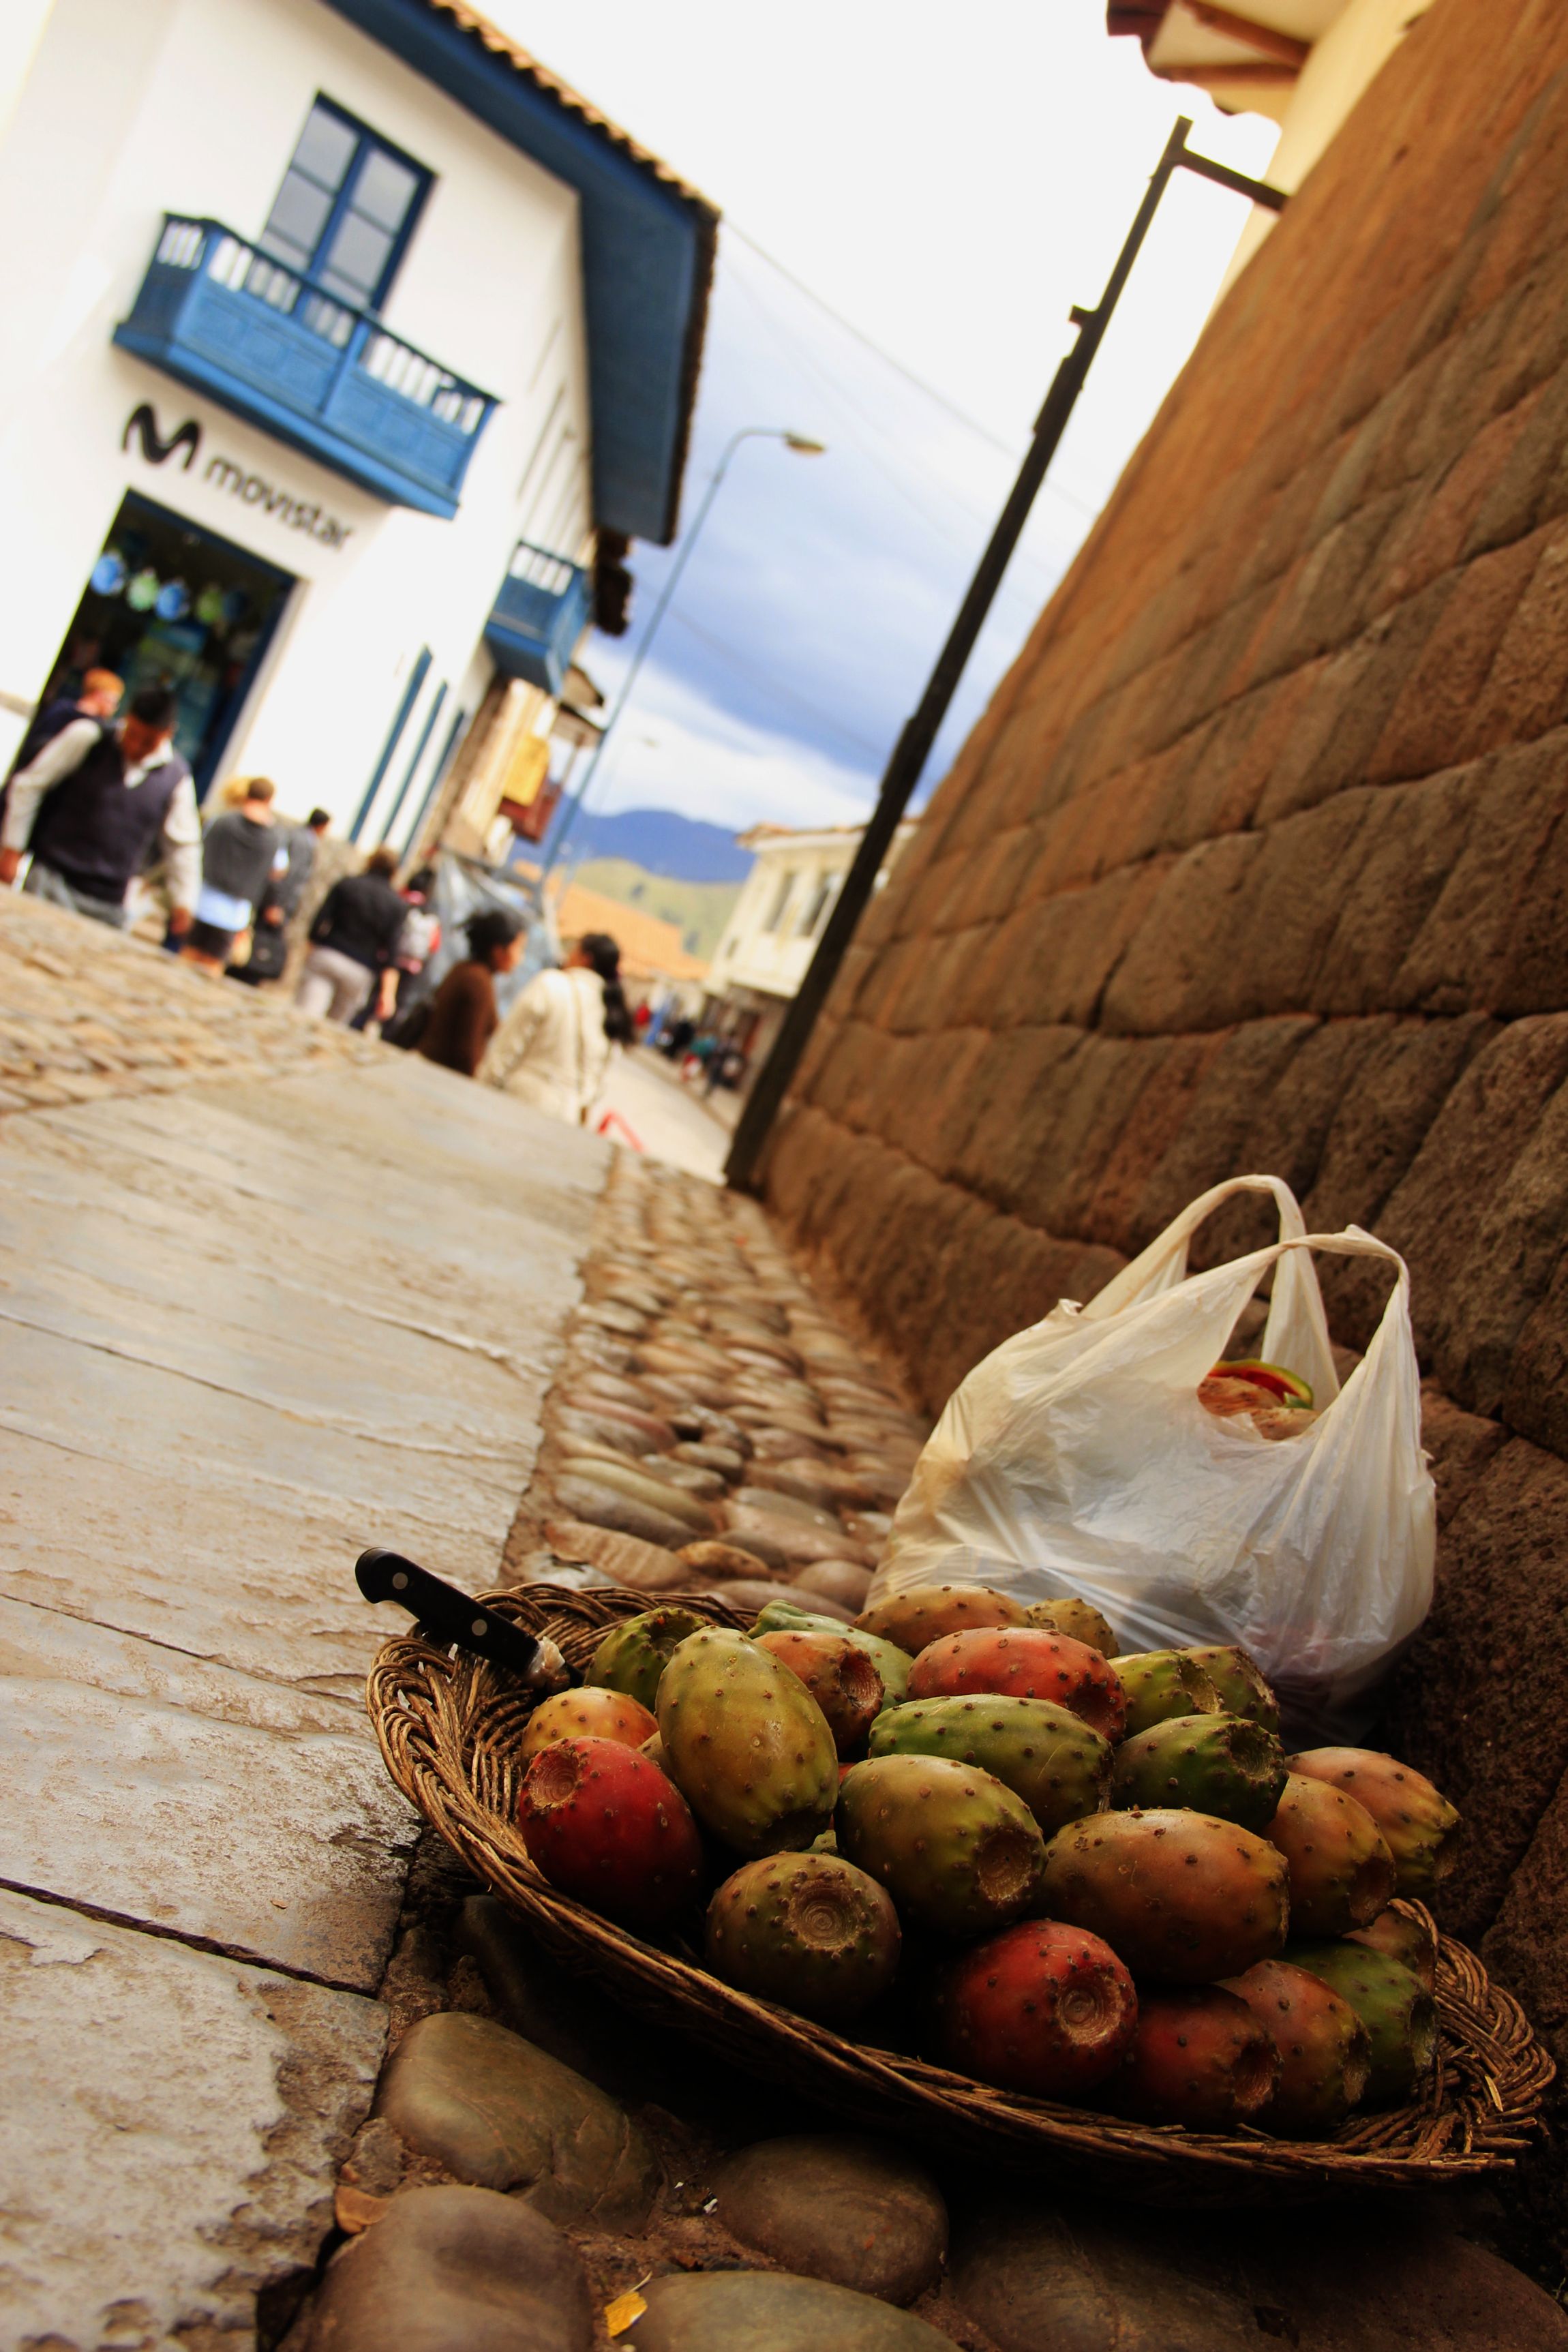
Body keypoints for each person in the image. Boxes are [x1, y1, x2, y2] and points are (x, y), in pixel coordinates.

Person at [0, 685, 198, 935]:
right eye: (132, 734)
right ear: (127, 717)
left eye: (148, 742)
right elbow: (30, 786)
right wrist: (12, 848)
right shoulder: (89, 738)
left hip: (109, 901)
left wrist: (184, 901)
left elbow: (182, 844)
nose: (136, 746)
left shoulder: (176, 777)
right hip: (51, 878)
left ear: (168, 733)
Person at [479, 929, 633, 1123]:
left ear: (586, 958)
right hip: (567, 1119)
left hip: (519, 1104)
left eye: (573, 950)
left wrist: (482, 1088)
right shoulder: (613, 1011)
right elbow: (596, 1086)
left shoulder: (550, 984)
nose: (567, 956)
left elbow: (507, 1048)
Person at [181, 778, 288, 974]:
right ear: (269, 799)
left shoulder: (222, 820)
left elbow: (198, 848)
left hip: (203, 899)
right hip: (234, 911)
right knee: (213, 966)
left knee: (187, 956)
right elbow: (278, 872)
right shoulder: (275, 837)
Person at [296, 845, 406, 1024]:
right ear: (394, 872)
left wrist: (311, 951)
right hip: (360, 969)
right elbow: (391, 951)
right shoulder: (396, 905)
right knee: (335, 1026)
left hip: (329, 954)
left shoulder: (347, 884)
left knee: (306, 1013)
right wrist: (388, 994)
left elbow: (318, 923)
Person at [417, 907, 524, 1076]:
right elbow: (468, 1049)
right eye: (519, 948)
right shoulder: (478, 982)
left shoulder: (465, 970)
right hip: (439, 1075)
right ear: (498, 951)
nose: (520, 958)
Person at [230, 806, 330, 986]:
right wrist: (276, 904)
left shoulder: (299, 837)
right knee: (261, 941)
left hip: (276, 901)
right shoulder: (302, 841)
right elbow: (288, 876)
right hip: (277, 903)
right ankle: (246, 973)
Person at [6, 669, 124, 777]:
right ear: (99, 695)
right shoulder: (66, 712)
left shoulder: (99, 726)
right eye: (113, 701)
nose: (114, 708)